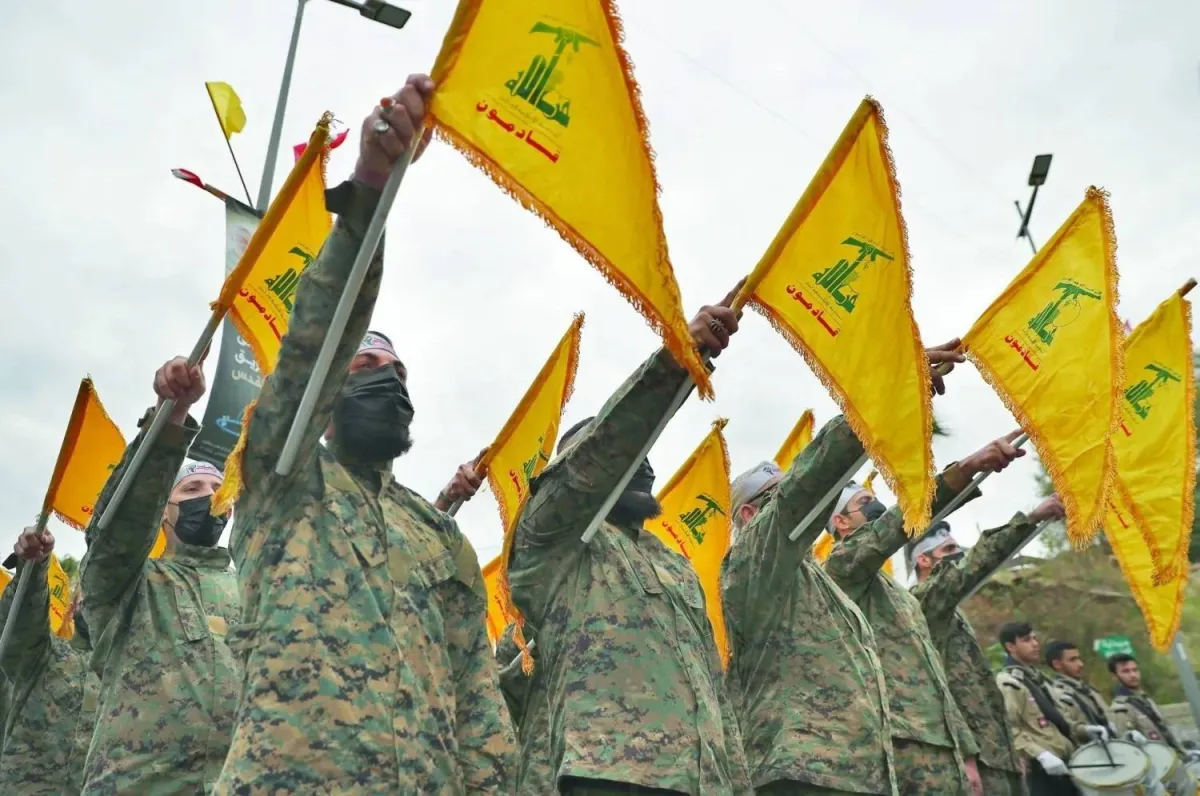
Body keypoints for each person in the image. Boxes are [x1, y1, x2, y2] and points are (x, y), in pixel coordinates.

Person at [214, 78, 517, 794]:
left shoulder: (437, 535)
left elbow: (475, 692)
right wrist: (369, 200)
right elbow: (312, 347)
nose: (387, 383)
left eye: (397, 372)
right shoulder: (283, 476)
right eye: (366, 369)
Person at [505, 287, 753, 795]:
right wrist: (679, 359)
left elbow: (713, 689)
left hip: (699, 781)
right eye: (625, 455)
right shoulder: (554, 542)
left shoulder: (675, 566)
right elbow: (600, 456)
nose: (637, 463)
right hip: (607, 775)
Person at [823, 434, 1030, 795]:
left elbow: (936, 680)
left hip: (945, 746)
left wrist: (966, 753)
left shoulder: (894, 595)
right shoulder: (841, 569)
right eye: (865, 503)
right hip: (907, 749)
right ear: (840, 522)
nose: (877, 507)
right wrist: (966, 469)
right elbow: (895, 526)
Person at [79, 355, 240, 794]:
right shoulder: (132, 582)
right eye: (192, 489)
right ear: (163, 511)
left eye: (216, 490)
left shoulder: (249, 587)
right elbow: (121, 526)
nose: (208, 497)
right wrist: (171, 421)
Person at [722, 442, 896, 795]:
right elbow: (808, 486)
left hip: (852, 771)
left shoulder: (816, 578)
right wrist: (862, 423)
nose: (798, 498)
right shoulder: (752, 563)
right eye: (780, 494)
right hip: (802, 771)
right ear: (750, 514)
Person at [909, 495, 1066, 796]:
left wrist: (1011, 749)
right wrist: (1031, 518)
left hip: (996, 753)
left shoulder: (951, 611)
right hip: (973, 757)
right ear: (923, 560)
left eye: (958, 548)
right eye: (948, 550)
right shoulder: (924, 601)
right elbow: (977, 563)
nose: (957, 555)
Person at [0, 526, 99, 794]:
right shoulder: (47, 654)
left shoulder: (138, 670)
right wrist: (35, 565)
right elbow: (22, 623)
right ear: (73, 604)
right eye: (85, 590)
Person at [997, 622, 1107, 795]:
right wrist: (1041, 754)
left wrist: (1084, 730)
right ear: (1011, 646)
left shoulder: (1040, 680)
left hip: (1065, 763)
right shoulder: (1009, 683)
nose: (1035, 644)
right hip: (1041, 770)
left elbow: (1058, 720)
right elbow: (1009, 728)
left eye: (1035, 638)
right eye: (1027, 640)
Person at [1108, 653, 1194, 758]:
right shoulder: (1120, 708)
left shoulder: (1146, 700)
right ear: (1115, 677)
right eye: (1126, 671)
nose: (1133, 675)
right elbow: (1128, 749)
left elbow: (1166, 731)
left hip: (1174, 757)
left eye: (1135, 670)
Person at [1045, 641, 1119, 737]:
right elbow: (1069, 728)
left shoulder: (1090, 691)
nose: (1081, 664)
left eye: (1079, 659)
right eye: (1073, 660)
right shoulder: (1058, 695)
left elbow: (1110, 718)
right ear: (1057, 664)